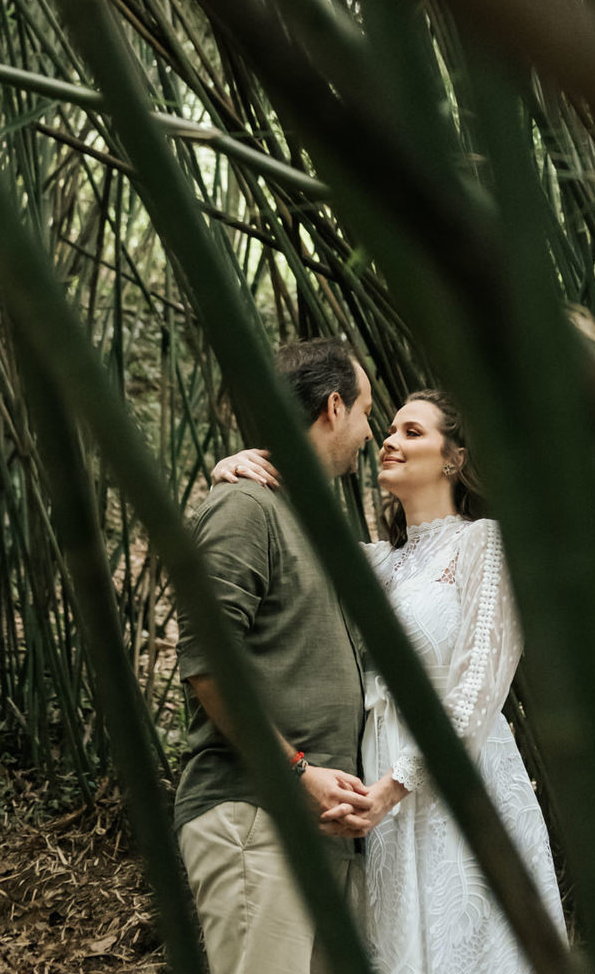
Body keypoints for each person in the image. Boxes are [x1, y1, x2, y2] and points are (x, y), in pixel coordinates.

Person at [213, 387, 567, 974]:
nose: (389, 441)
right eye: (389, 429)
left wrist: (396, 785)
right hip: (373, 777)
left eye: (412, 431)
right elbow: (284, 540)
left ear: (453, 458)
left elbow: (479, 686)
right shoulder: (372, 562)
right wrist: (235, 469)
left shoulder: (485, 544)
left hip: (454, 777)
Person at [176, 336, 376, 974]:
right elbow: (208, 665)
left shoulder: (308, 518)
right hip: (257, 818)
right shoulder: (244, 505)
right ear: (335, 407)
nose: (371, 435)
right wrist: (296, 770)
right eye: (369, 413)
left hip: (321, 832)